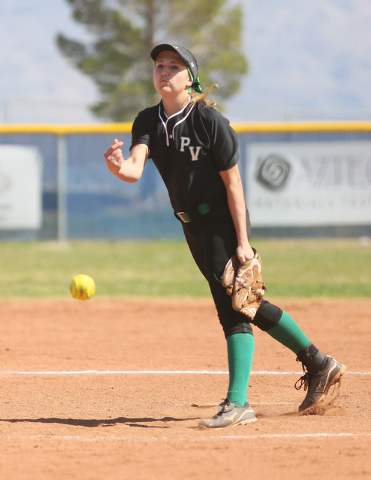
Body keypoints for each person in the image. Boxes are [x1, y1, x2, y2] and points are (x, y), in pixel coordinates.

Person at [104, 44, 346, 429]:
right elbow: (134, 169)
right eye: (159, 66)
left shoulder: (209, 122)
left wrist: (243, 240)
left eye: (174, 66)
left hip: (220, 221)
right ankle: (319, 363)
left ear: (191, 78)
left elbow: (234, 187)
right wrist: (117, 167)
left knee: (234, 306)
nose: (163, 72)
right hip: (191, 227)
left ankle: (239, 402)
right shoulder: (148, 121)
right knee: (244, 302)